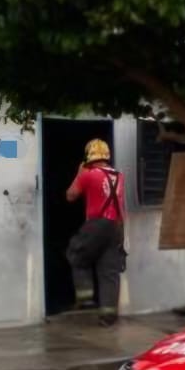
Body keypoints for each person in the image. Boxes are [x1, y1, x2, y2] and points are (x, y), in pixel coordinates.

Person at [66, 139, 125, 326]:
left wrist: (79, 173)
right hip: (116, 226)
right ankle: (108, 316)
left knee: (76, 253)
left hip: (97, 223)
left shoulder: (88, 175)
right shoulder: (119, 175)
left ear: (89, 157)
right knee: (109, 271)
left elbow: (70, 195)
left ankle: (85, 298)